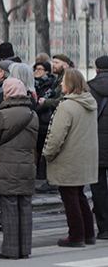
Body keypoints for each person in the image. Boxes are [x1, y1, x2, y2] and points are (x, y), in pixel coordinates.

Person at [43, 69, 98, 247]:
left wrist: (48, 154)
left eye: (64, 81)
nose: (60, 84)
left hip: (68, 159)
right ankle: (88, 233)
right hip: (84, 158)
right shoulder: (89, 102)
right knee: (79, 195)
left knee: (70, 197)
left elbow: (56, 135)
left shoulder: (67, 106)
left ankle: (76, 235)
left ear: (70, 84)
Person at [0, 78, 39, 259]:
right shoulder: (33, 114)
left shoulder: (3, 115)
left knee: (8, 207)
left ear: (7, 93)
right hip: (26, 164)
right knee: (25, 206)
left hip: (5, 165)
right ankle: (24, 250)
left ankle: (10, 250)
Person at [37, 54, 73, 193]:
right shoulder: (59, 78)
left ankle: (54, 181)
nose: (54, 65)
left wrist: (46, 102)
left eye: (57, 62)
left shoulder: (67, 77)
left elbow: (62, 99)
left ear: (65, 64)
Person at [88, 56, 108, 240]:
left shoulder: (88, 88)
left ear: (96, 69)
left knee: (99, 188)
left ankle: (104, 228)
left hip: (95, 145)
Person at [33, 60, 55, 180]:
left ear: (47, 71)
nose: (36, 71)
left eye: (40, 69)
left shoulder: (50, 84)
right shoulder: (33, 83)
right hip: (34, 120)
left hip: (44, 120)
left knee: (42, 147)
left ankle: (42, 172)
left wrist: (35, 109)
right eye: (35, 69)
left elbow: (45, 101)